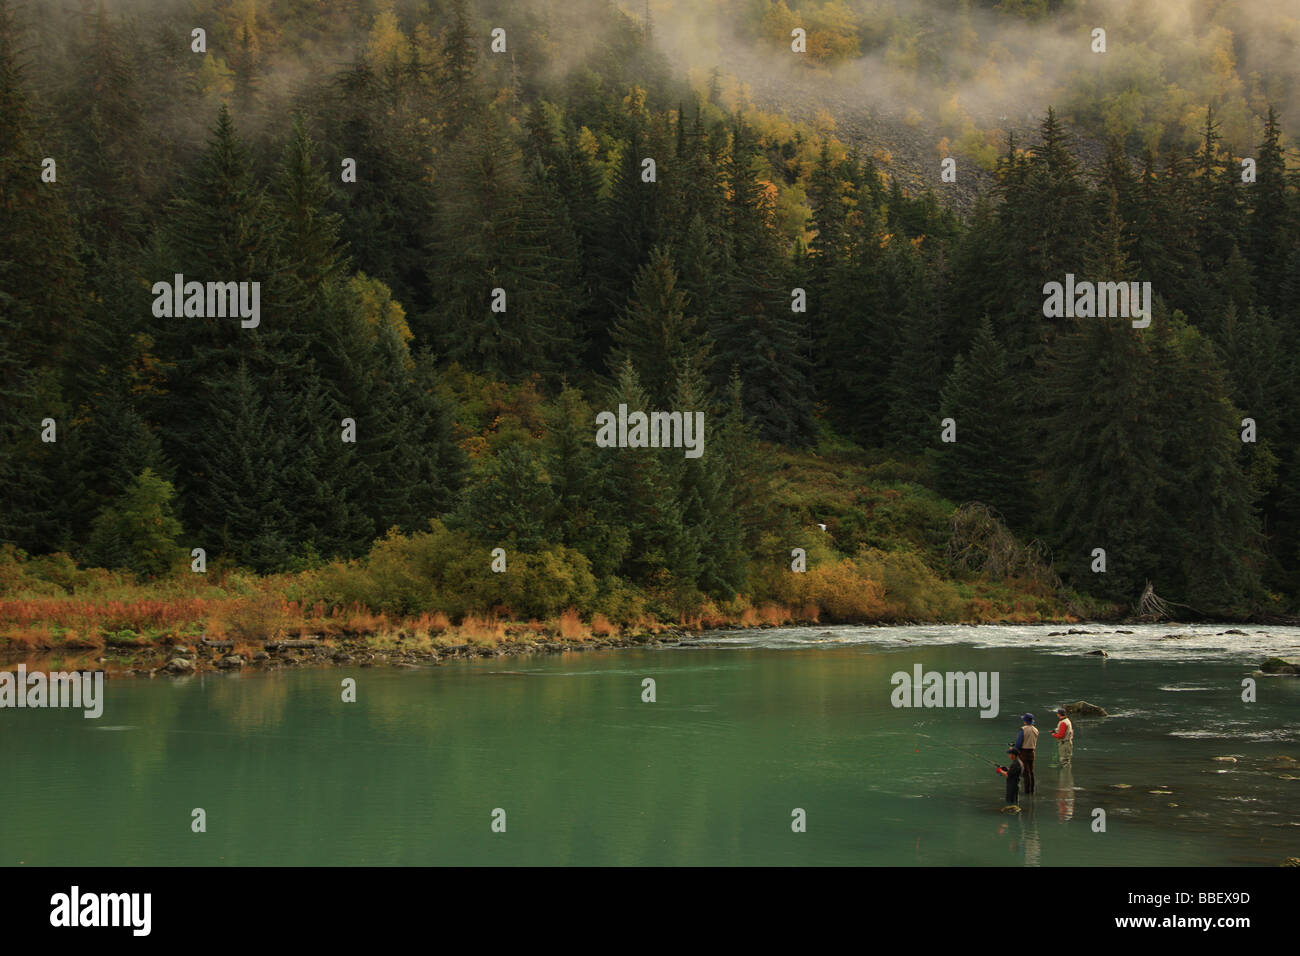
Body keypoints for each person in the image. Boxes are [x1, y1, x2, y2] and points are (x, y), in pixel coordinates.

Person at [1013, 713, 1037, 794]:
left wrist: (1014, 749)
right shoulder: (1035, 730)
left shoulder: (1023, 729)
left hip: (1024, 753)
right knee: (1031, 771)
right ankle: (1032, 790)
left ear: (1025, 721)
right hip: (1032, 753)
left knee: (1026, 773)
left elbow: (1019, 743)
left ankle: (1027, 791)